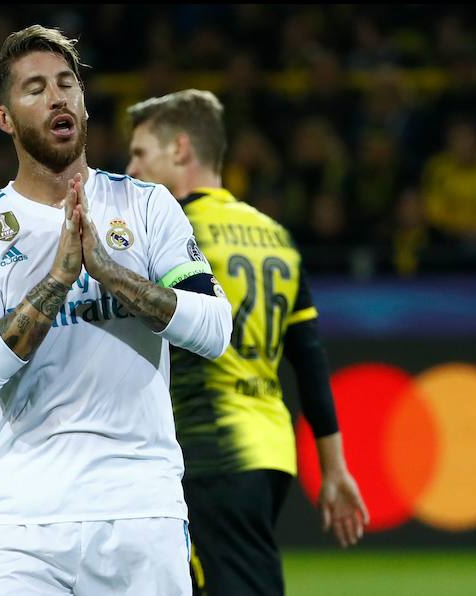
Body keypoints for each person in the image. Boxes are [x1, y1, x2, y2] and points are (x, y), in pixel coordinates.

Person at [0, 27, 232, 595]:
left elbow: (215, 328)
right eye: (36, 88)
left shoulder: (147, 208)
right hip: (25, 527)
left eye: (67, 84)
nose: (57, 97)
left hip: (142, 517)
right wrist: (56, 282)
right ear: (5, 119)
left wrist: (115, 276)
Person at [126, 89, 369, 596]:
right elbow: (308, 357)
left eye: (140, 153)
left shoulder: (171, 233)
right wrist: (334, 466)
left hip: (209, 446)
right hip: (271, 450)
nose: (130, 170)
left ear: (180, 150)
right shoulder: (276, 235)